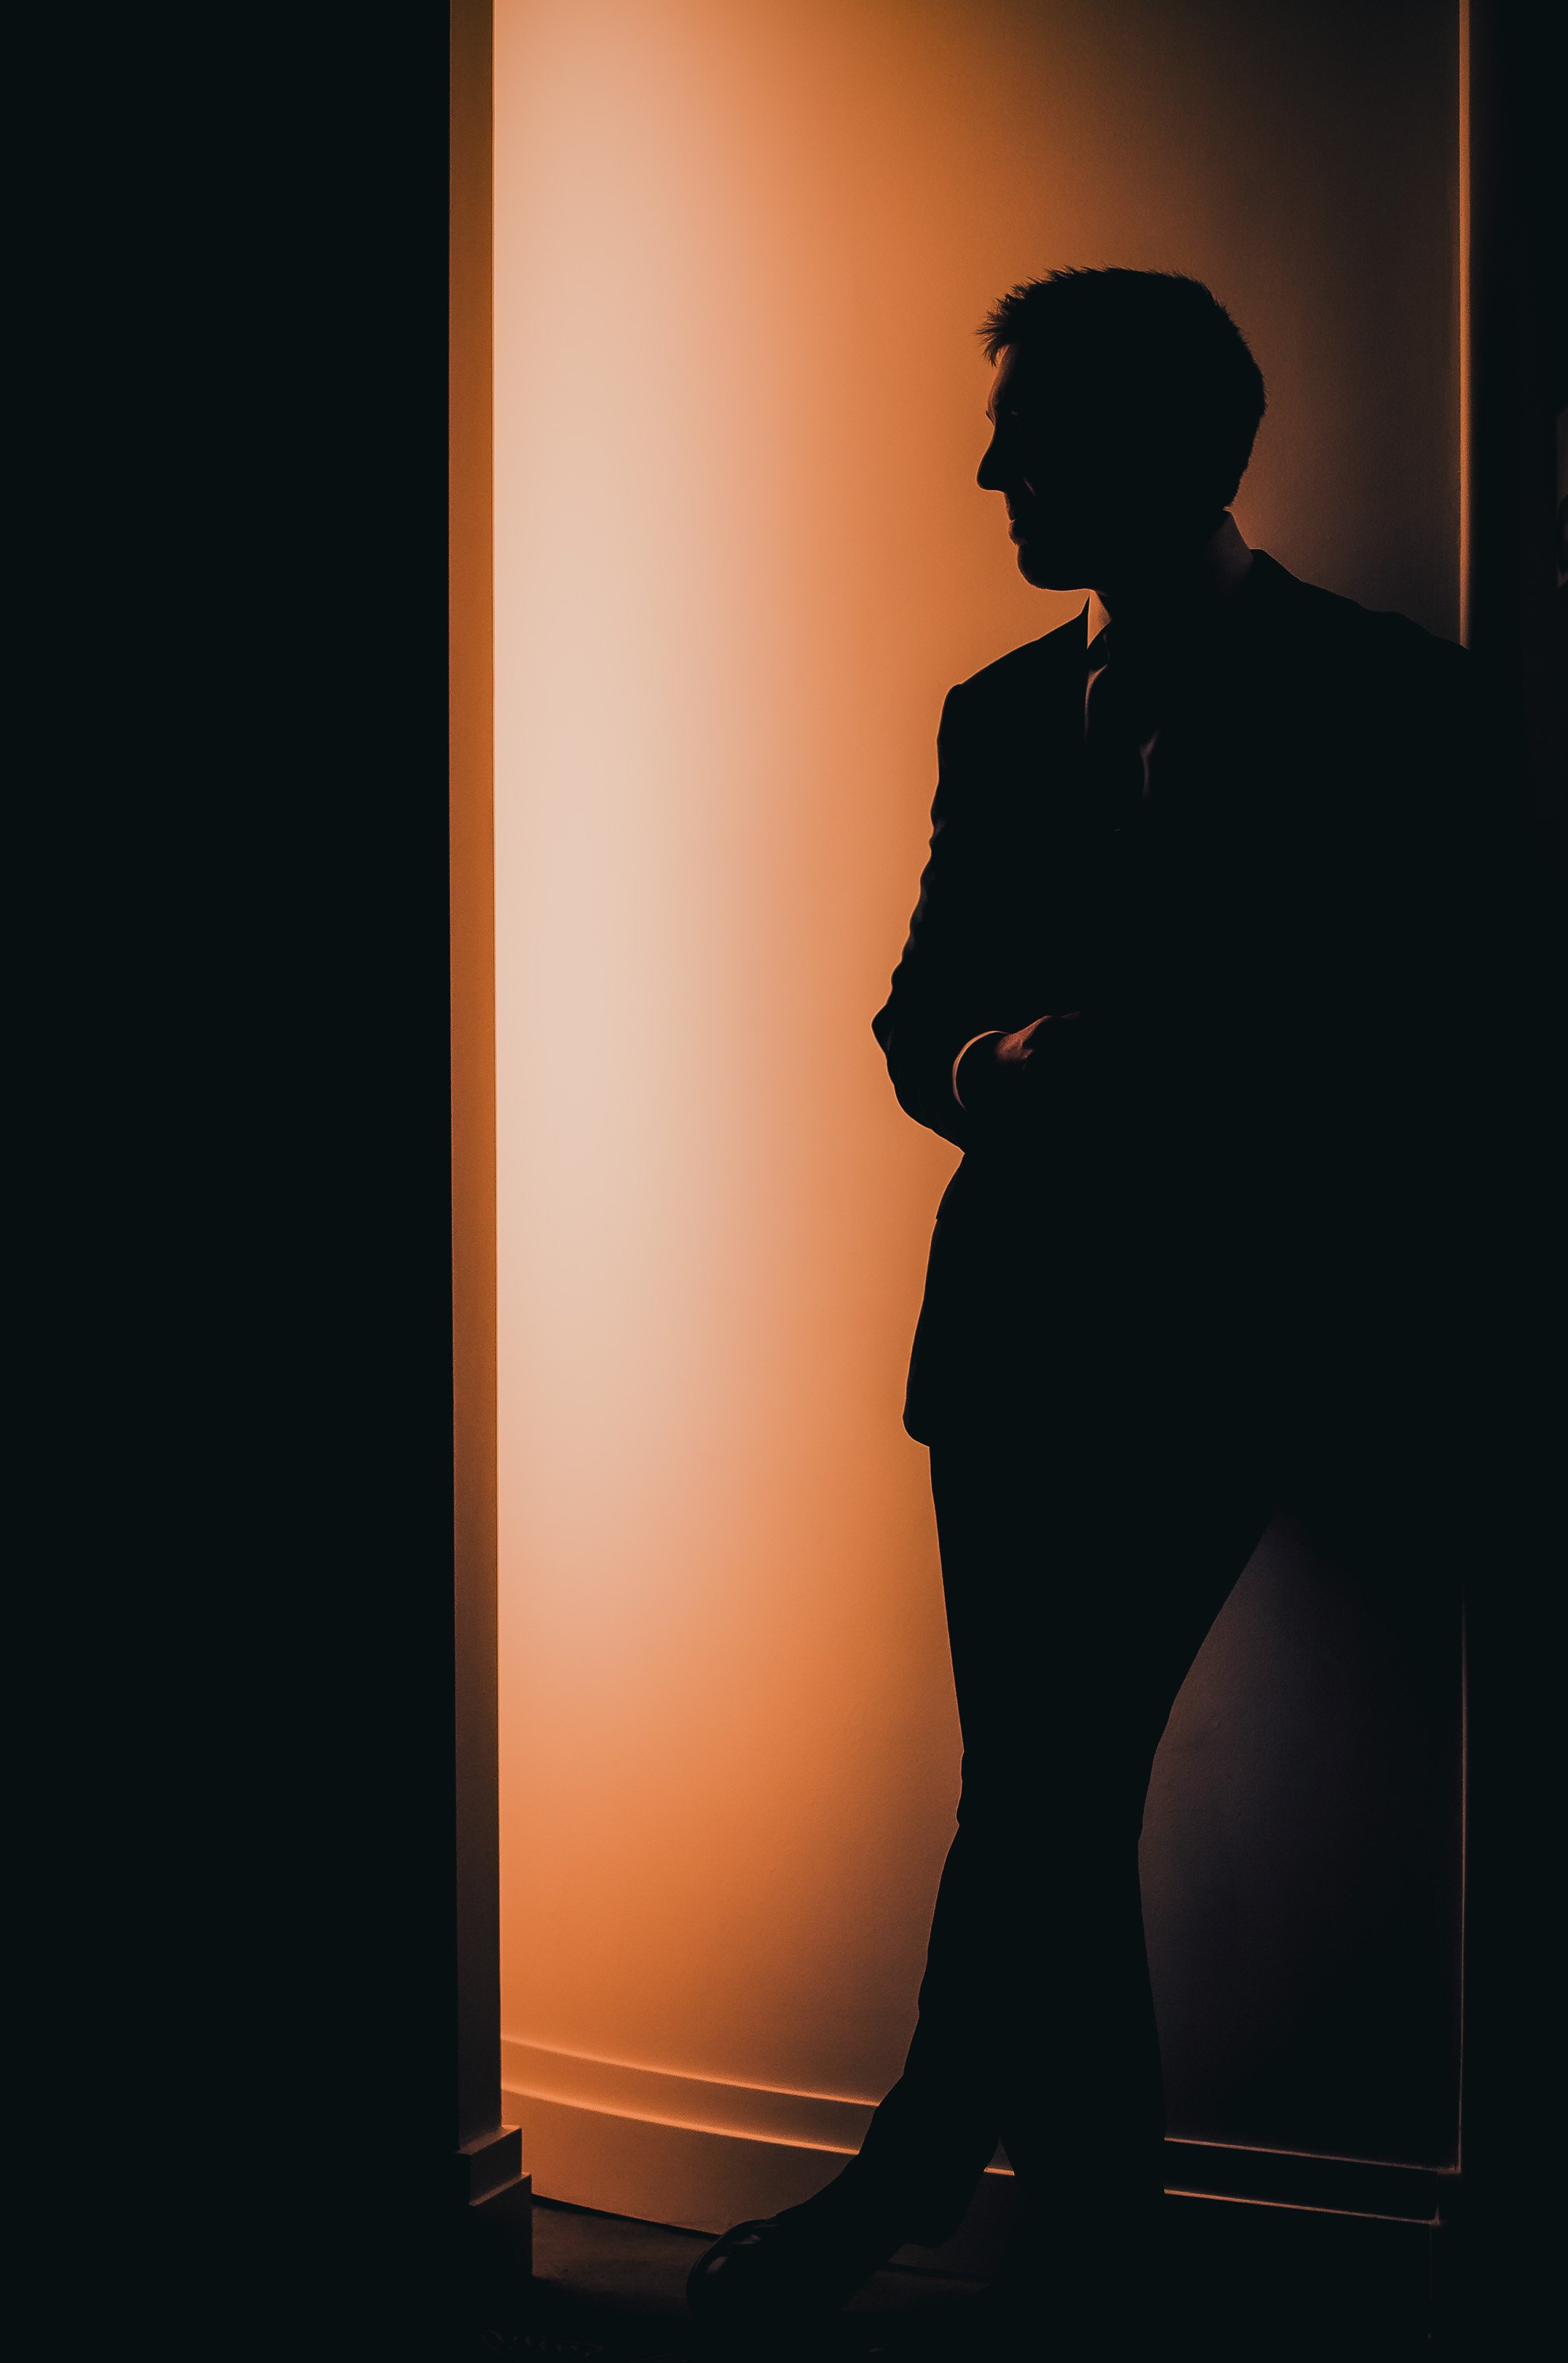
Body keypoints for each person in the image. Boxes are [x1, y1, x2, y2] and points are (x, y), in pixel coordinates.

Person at [688, 268, 1496, 2348]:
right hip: (1014, 1341)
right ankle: (1088, 2255)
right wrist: (987, 1072)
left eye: (1029, 429)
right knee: (1042, 1796)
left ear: (1170, 444)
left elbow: (1439, 1036)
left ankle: (919, 2176)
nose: (988, 469)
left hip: (1241, 1347)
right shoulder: (989, 707)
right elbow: (912, 1014)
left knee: (1039, 1791)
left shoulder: (1397, 693)